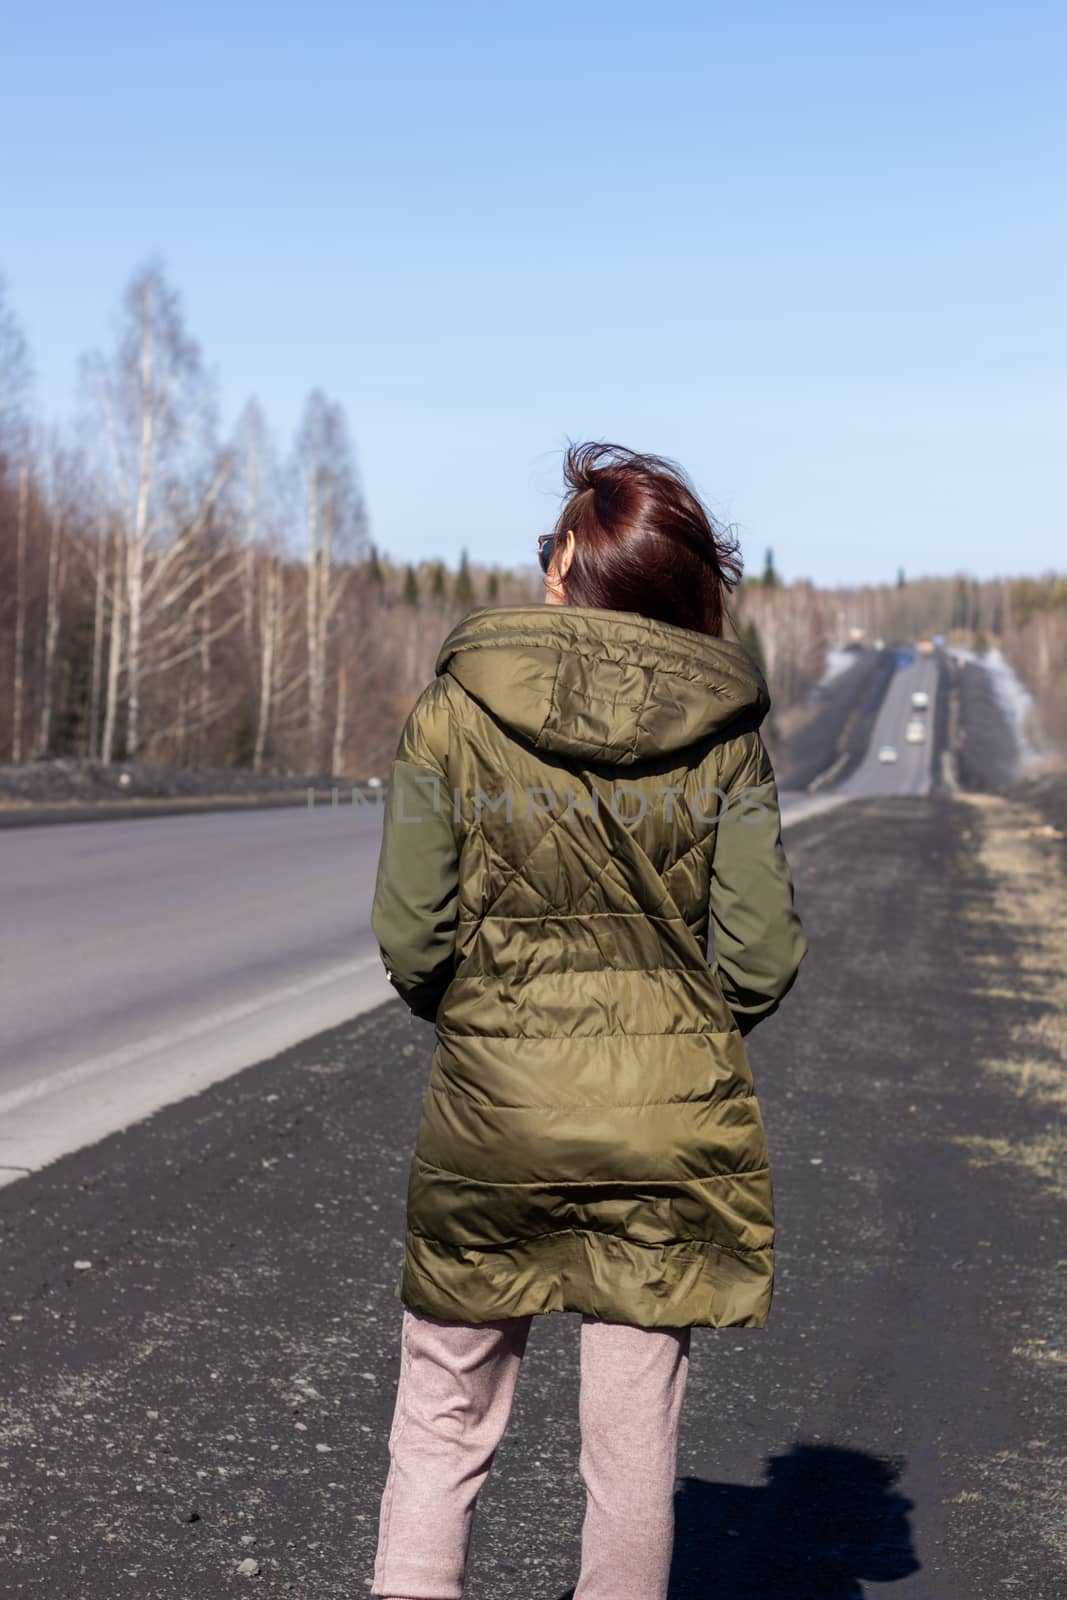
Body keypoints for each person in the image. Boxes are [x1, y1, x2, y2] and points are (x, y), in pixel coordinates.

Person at [368, 441, 807, 1600]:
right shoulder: (727, 734)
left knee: (443, 1415)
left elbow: (411, 935)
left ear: (572, 565)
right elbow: (759, 955)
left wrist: (480, 1025)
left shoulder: (454, 711)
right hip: (665, 1132)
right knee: (629, 1452)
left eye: (551, 550)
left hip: (493, 1114)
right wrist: (682, 1037)